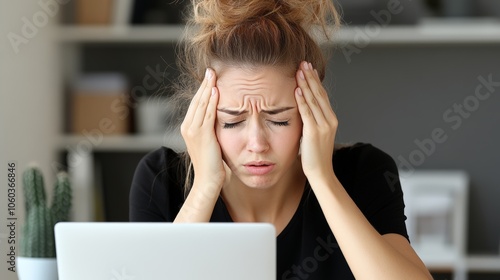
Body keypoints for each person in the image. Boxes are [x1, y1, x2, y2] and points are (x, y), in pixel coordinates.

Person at [129, 0, 432, 279]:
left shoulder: (364, 172)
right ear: (205, 116)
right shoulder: (161, 180)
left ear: (310, 112)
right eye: (232, 121)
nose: (257, 143)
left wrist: (323, 179)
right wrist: (206, 186)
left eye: (279, 120)